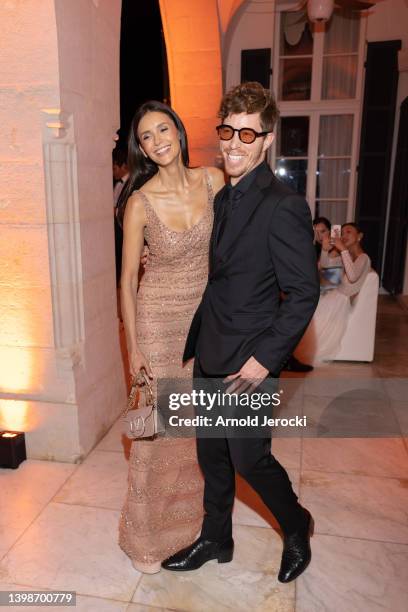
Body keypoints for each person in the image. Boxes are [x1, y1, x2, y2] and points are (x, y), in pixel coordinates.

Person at [161, 82, 320, 583]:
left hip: (249, 361)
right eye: (227, 130)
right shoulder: (225, 195)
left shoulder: (282, 205)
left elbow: (304, 294)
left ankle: (296, 525)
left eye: (247, 134)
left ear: (267, 139)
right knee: (211, 453)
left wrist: (264, 360)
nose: (234, 143)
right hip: (212, 349)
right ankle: (216, 538)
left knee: (250, 458)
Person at [118, 100, 224, 574]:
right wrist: (133, 346)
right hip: (158, 323)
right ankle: (146, 538)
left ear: (179, 132)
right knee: (158, 431)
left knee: (196, 430)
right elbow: (126, 281)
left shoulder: (214, 181)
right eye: (146, 136)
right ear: (140, 148)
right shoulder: (140, 202)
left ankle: (190, 529)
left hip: (206, 322)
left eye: (164, 129)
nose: (158, 140)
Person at [296, 222, 371, 365]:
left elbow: (352, 276)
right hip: (334, 296)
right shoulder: (347, 256)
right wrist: (324, 250)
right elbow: (325, 264)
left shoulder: (364, 258)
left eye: (348, 232)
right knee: (302, 308)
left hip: (340, 301)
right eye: (342, 233)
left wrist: (343, 249)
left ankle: (295, 353)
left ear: (359, 236)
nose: (344, 235)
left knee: (307, 314)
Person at [112, 147, 130, 287]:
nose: (113, 172)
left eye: (115, 167)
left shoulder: (132, 183)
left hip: (125, 228)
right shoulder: (115, 184)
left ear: (123, 166)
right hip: (115, 228)